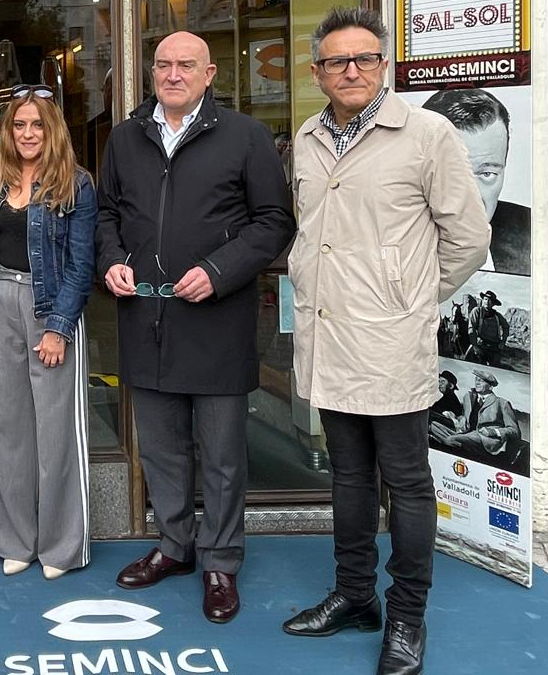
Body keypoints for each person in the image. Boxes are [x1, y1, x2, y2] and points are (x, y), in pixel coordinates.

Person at [282, 8, 490, 675]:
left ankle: (405, 615)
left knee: (405, 480)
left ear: (383, 67)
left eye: (365, 58)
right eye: (337, 61)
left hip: (392, 341)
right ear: (317, 72)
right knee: (346, 475)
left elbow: (468, 237)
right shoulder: (308, 137)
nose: (351, 70)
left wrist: (409, 298)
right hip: (330, 337)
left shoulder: (427, 134)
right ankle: (353, 595)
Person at [94, 32, 295, 622]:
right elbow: (106, 213)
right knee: (160, 450)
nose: (173, 73)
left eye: (186, 65)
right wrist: (110, 260)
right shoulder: (126, 138)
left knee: (223, 454)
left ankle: (221, 562)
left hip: (215, 319)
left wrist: (219, 270)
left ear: (210, 74)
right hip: (145, 316)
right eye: (163, 64)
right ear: (150, 72)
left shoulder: (244, 136)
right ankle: (176, 546)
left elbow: (275, 220)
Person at [0, 83, 97, 580]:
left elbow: (82, 265)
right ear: (7, 130)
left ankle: (61, 547)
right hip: (0, 304)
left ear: (52, 129)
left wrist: (59, 328)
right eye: (19, 124)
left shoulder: (75, 185)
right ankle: (16, 539)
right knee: (6, 427)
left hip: (50, 309)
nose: (27, 133)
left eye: (37, 124)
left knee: (56, 431)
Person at [422, 89, 530, 275]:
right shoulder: (387, 238)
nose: (472, 196)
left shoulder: (533, 232)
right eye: (452, 173)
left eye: (487, 173)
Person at [429, 370, 520, 460]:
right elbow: (466, 419)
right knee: (433, 426)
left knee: (451, 440)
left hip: (485, 439)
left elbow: (514, 430)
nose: (477, 382)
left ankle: (454, 446)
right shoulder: (468, 398)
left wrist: (493, 432)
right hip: (466, 433)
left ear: (491, 387)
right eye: (476, 379)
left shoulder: (502, 403)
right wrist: (455, 418)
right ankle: (457, 444)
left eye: (481, 380)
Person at [464, 290, 509, 366]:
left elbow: (506, 327)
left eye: (490, 300)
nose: (487, 302)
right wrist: (475, 346)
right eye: (485, 299)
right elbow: (471, 329)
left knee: (496, 369)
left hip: (494, 347)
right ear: (482, 300)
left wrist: (503, 341)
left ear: (493, 304)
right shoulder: (477, 311)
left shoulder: (497, 315)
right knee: (467, 363)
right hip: (480, 345)